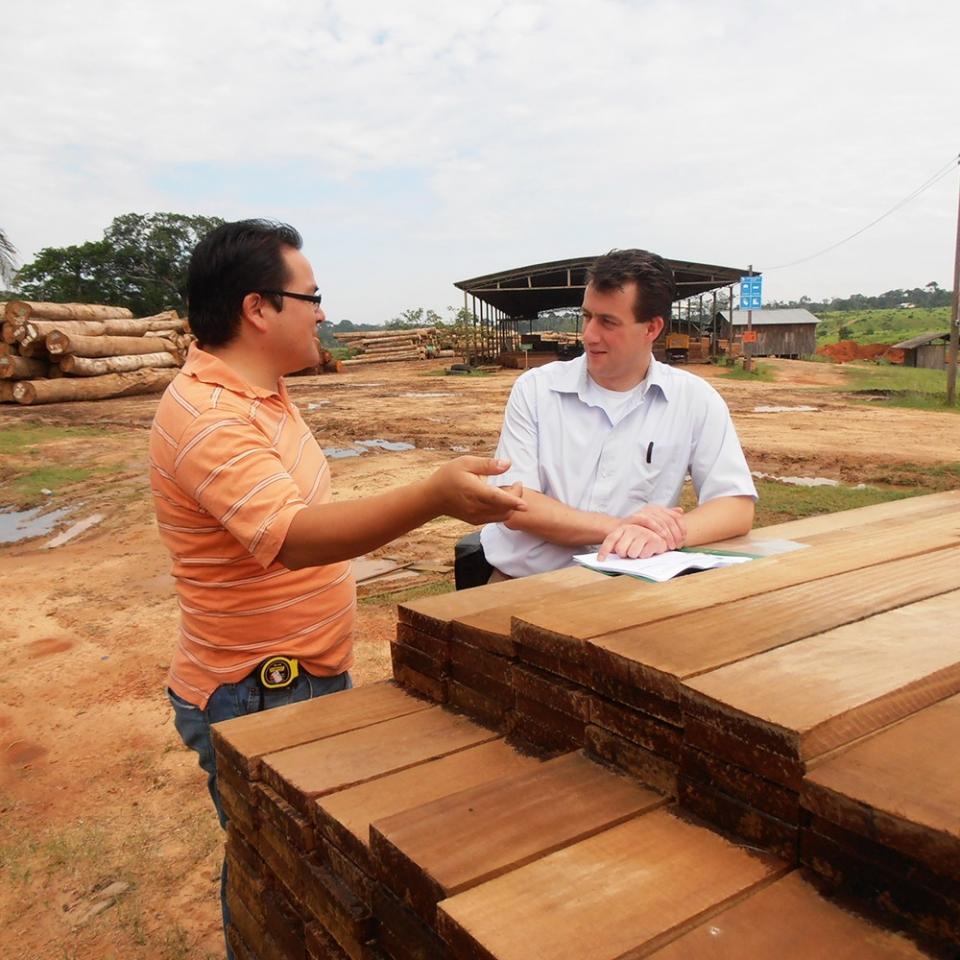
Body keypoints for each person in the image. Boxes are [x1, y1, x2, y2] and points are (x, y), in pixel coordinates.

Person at [148, 219, 525, 956]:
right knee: (276, 875)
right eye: (311, 297)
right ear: (258, 308)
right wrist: (432, 496)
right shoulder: (210, 415)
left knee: (298, 867)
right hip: (259, 688)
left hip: (298, 673)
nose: (323, 313)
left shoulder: (263, 392)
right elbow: (292, 537)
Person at [479, 248, 756, 580]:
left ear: (651, 328)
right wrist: (621, 528)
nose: (589, 334)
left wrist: (666, 534)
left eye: (608, 322)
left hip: (630, 585)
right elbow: (514, 505)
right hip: (526, 583)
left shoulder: (694, 400)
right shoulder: (536, 391)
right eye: (587, 316)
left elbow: (735, 506)